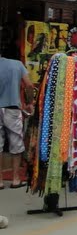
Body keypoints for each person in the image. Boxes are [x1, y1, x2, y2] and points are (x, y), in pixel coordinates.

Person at [0, 46, 33, 189]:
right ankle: (15, 179)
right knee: (16, 144)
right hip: (13, 108)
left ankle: (0, 181)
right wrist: (29, 102)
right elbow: (29, 85)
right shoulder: (18, 65)